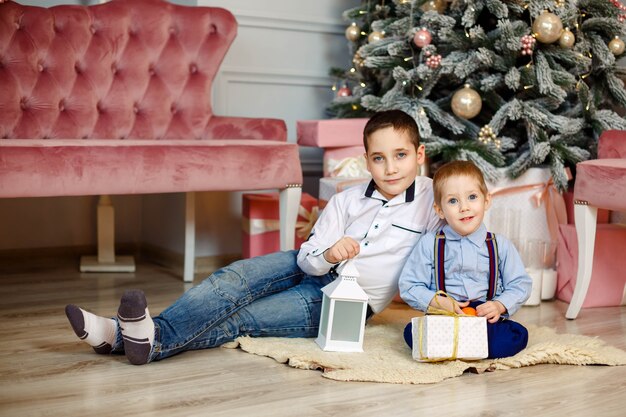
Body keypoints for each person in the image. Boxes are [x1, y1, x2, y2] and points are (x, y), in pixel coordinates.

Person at [65, 109, 444, 365]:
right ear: (366, 160)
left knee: (244, 318)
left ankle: (128, 338)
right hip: (311, 267)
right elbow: (308, 255)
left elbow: (460, 227)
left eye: (400, 156)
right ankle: (131, 337)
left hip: (343, 304)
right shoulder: (346, 200)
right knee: (233, 279)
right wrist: (329, 254)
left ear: (419, 154)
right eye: (379, 158)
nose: (391, 168)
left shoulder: (433, 200)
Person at [399, 160, 532, 359]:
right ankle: (465, 348)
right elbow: (409, 285)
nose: (464, 207)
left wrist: (499, 305)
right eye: (453, 201)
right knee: (412, 333)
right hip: (445, 316)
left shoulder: (499, 245)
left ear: (486, 201)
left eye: (472, 197)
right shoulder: (430, 244)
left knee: (515, 336)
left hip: (483, 315)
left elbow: (520, 284)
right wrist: (436, 301)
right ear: (440, 210)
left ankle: (457, 349)